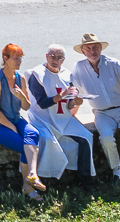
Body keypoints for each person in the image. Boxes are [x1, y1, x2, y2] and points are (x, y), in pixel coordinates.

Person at [71, 32, 120, 194]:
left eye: (95, 47)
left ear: (101, 48)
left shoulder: (114, 64)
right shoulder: (79, 68)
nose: (92, 51)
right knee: (105, 138)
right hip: (102, 113)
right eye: (88, 48)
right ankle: (116, 171)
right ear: (83, 51)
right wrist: (72, 111)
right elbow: (74, 92)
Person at [0, 43, 48, 200]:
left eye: (20, 58)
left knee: (33, 133)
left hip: (15, 118)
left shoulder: (21, 78)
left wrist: (22, 97)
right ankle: (28, 187)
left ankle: (32, 175)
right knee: (23, 145)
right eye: (16, 58)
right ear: (5, 58)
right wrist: (11, 127)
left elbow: (26, 106)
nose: (19, 62)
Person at [25, 44, 93, 182]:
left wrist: (75, 102)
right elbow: (43, 103)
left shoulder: (68, 75)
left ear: (63, 59)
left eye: (59, 58)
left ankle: (84, 180)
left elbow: (68, 104)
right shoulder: (37, 75)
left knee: (86, 136)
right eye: (52, 56)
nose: (55, 60)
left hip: (63, 119)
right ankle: (46, 181)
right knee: (49, 142)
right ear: (46, 56)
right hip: (42, 120)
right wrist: (62, 94)